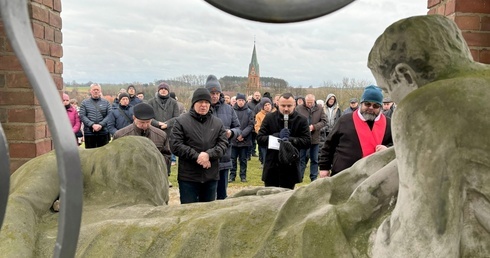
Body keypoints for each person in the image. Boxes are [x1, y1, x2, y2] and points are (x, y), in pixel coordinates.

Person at [170, 88, 228, 204]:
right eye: (200, 102)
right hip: (188, 177)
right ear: (194, 103)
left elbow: (223, 144)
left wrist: (208, 155)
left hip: (210, 177)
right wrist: (197, 156)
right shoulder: (181, 121)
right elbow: (175, 145)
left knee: (208, 214)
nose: (203, 105)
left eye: (206, 102)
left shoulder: (217, 123)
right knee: (188, 212)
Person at [319, 85, 393, 177]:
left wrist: (388, 150)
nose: (371, 108)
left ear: (380, 107)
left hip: (375, 177)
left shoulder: (389, 124)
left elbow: (397, 146)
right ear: (361, 103)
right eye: (367, 104)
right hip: (344, 174)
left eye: (375, 105)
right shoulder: (345, 120)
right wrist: (324, 167)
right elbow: (329, 145)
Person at [257, 93, 310, 189]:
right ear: (277, 104)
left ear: (294, 104)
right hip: (272, 166)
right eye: (283, 106)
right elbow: (260, 139)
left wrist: (290, 140)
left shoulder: (301, 120)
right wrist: (277, 137)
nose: (286, 109)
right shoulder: (269, 118)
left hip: (290, 167)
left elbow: (307, 141)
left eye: (289, 106)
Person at [205, 75, 241, 200]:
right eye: (211, 92)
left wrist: (231, 132)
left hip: (224, 156)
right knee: (207, 195)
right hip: (207, 157)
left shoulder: (229, 109)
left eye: (217, 93)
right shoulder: (202, 108)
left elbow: (238, 127)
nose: (214, 95)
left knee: (222, 194)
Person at [113, 103, 171, 173]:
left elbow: (167, 156)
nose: (145, 125)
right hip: (128, 176)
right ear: (134, 118)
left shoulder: (161, 135)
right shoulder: (120, 135)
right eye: (142, 122)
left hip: (153, 175)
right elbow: (114, 159)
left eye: (148, 122)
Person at [295, 94, 327, 182]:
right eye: (308, 102)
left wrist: (314, 127)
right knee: (301, 159)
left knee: (315, 160)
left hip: (315, 138)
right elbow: (295, 120)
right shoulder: (299, 108)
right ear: (305, 101)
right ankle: (299, 177)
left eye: (311, 102)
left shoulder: (320, 109)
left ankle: (314, 178)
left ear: (314, 101)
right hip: (302, 138)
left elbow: (324, 121)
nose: (309, 104)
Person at [229, 93, 254, 183]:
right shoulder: (231, 110)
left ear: (245, 101)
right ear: (236, 101)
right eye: (239, 100)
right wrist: (235, 135)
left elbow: (250, 125)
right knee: (232, 159)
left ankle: (243, 176)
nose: (241, 102)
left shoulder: (249, 112)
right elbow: (230, 124)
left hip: (245, 140)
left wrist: (242, 135)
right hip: (233, 139)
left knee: (243, 160)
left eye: (243, 100)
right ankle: (232, 176)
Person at [79, 83, 112, 148]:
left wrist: (101, 124)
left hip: (103, 132)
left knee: (103, 154)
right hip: (89, 133)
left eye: (97, 90)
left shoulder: (106, 103)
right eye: (94, 90)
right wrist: (92, 125)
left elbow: (110, 115)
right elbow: (82, 116)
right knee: (90, 155)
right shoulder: (84, 103)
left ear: (100, 91)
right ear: (90, 91)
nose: (96, 91)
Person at [254, 97, 274, 167]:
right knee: (265, 156)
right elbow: (257, 127)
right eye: (265, 105)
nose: (267, 106)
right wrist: (262, 134)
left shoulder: (275, 113)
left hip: (273, 138)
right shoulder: (259, 115)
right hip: (264, 138)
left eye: (268, 104)